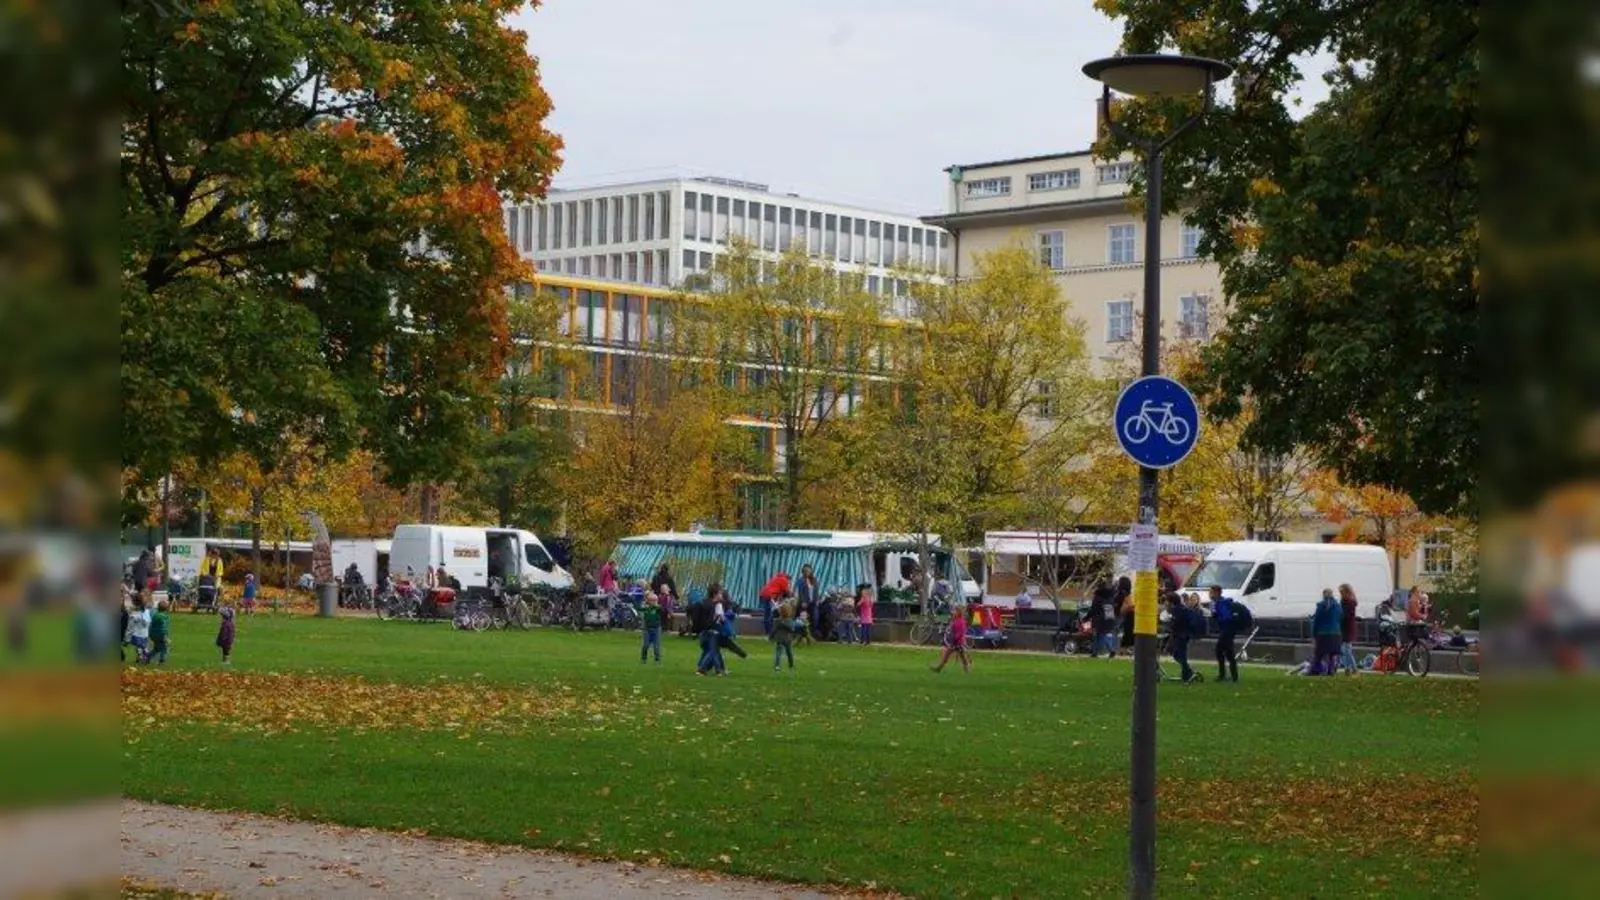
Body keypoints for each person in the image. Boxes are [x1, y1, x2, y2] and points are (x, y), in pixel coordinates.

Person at [1167, 593, 1203, 683]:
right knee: (1179, 654)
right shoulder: (1182, 609)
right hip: (1184, 634)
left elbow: (1175, 624)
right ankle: (1186, 672)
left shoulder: (1177, 611)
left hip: (1181, 635)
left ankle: (1188, 672)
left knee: (1179, 655)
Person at [1311, 588, 1344, 675]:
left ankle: (1316, 670)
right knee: (1332, 654)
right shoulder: (1338, 606)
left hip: (1323, 633)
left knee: (1319, 654)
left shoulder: (1321, 606)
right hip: (1335, 633)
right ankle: (1331, 671)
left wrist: (1314, 635)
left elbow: (1316, 621)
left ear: (1323, 595)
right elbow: (1340, 618)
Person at [932, 604, 972, 674]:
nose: (953, 612)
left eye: (955, 611)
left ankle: (967, 671)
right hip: (954, 642)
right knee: (946, 655)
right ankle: (939, 668)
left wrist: (955, 639)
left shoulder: (961, 622)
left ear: (959, 612)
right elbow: (946, 620)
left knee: (963, 658)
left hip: (958, 643)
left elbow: (960, 633)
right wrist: (937, 618)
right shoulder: (955, 620)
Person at [1210, 585, 1239, 682]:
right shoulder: (1221, 602)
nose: (1210, 594)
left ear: (1217, 593)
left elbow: (1226, 617)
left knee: (1220, 651)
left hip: (1227, 631)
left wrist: (1216, 616)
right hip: (1229, 631)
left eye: (1211, 592)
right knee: (1229, 653)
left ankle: (1223, 675)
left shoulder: (1220, 603)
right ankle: (1233, 676)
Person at [1091, 580, 1119, 659]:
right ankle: (1110, 649)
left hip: (1099, 617)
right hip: (1108, 616)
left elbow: (1094, 607)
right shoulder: (1110, 596)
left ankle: (1095, 652)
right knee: (1104, 634)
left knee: (1097, 634)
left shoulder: (1098, 596)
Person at [759, 571, 792, 637]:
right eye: (789, 582)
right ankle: (769, 633)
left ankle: (769, 632)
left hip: (764, 595)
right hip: (768, 596)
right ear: (788, 579)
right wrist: (793, 596)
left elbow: (780, 592)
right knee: (768, 615)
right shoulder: (784, 580)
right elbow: (787, 592)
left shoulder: (777, 578)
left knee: (768, 614)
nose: (789, 583)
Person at [1338, 583, 1361, 675]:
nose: (1341, 595)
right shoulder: (1343, 602)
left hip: (1348, 628)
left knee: (1347, 649)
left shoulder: (1351, 603)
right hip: (1343, 628)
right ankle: (1348, 668)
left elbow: (1347, 615)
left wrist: (1339, 615)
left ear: (1347, 592)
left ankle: (1353, 668)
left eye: (1342, 592)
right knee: (1344, 650)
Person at [770, 601, 798, 672]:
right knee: (789, 653)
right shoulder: (790, 621)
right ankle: (791, 665)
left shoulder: (777, 621)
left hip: (779, 639)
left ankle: (777, 666)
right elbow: (792, 630)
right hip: (788, 639)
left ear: (780, 611)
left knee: (778, 653)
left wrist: (770, 637)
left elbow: (774, 630)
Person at [639, 589, 665, 664]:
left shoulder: (657, 609)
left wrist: (658, 606)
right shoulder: (646, 608)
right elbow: (639, 608)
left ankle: (657, 660)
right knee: (646, 645)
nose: (653, 602)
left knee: (656, 646)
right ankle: (644, 658)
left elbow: (662, 610)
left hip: (656, 629)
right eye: (651, 600)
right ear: (648, 601)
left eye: (654, 601)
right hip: (647, 629)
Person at [125, 595, 152, 664]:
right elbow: (148, 623)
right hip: (145, 633)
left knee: (139, 646)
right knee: (142, 645)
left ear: (134, 603)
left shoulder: (133, 615)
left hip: (136, 633)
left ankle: (145, 654)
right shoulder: (147, 612)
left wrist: (127, 638)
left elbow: (130, 628)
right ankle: (141, 657)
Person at [796, 564, 820, 638]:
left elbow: (816, 590)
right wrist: (803, 601)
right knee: (803, 619)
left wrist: (817, 599)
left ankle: (812, 634)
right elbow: (800, 592)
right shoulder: (801, 580)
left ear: (811, 571)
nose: (807, 572)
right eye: (805, 571)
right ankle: (801, 635)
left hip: (813, 602)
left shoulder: (814, 580)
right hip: (804, 603)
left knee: (815, 617)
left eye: (809, 571)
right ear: (803, 571)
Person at [148, 598, 172, 666]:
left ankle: (147, 657)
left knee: (156, 649)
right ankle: (162, 661)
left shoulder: (155, 615)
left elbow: (151, 625)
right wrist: (165, 637)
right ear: (167, 609)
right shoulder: (164, 617)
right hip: (161, 635)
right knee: (165, 648)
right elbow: (163, 628)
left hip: (153, 635)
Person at [1116, 576, 1135, 655]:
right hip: (1128, 615)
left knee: (1127, 632)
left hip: (1128, 615)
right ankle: (1125, 650)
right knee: (1128, 632)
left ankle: (1123, 650)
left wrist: (1123, 610)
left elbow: (1131, 605)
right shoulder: (1127, 593)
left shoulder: (1124, 594)